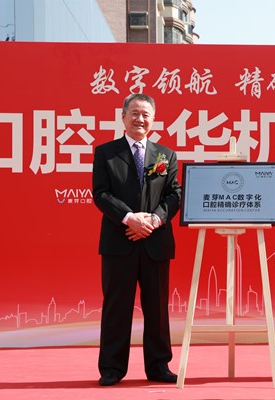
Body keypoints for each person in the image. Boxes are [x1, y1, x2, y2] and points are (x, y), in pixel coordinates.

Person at [92, 93, 181, 386]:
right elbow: (101, 194)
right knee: (116, 306)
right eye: (134, 113)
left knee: (157, 308)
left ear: (153, 120)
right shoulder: (106, 153)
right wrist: (130, 218)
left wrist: (153, 220)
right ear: (123, 117)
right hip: (120, 240)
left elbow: (174, 194)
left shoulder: (165, 155)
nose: (139, 119)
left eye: (145, 115)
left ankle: (159, 366)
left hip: (155, 241)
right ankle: (111, 368)